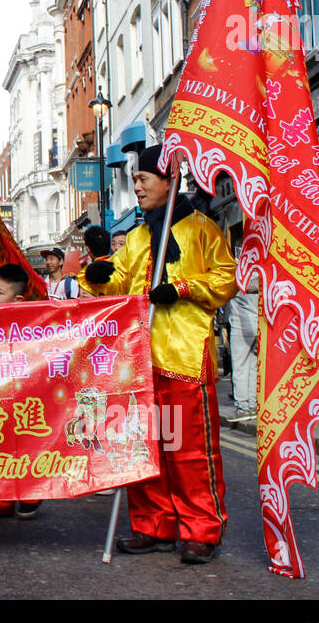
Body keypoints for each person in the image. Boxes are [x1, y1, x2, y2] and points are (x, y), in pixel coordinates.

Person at [80, 145, 236, 564]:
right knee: (144, 445)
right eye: (134, 179)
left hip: (183, 354)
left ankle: (200, 529)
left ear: (170, 180)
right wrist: (96, 275)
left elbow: (224, 280)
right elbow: (119, 284)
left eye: (144, 178)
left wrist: (181, 288)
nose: (137, 186)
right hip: (139, 360)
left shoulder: (202, 229)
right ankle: (154, 524)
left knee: (188, 450)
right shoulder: (137, 236)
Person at [0, 264, 43, 520]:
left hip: (25, 394)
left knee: (28, 442)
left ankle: (32, 494)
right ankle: (0, 500)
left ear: (18, 299)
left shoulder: (33, 320)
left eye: (0, 292)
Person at [226, 269, 260, 423]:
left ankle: (242, 407)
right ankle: (253, 405)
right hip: (258, 324)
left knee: (240, 366)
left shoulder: (237, 275)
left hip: (241, 327)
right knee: (253, 366)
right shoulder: (259, 275)